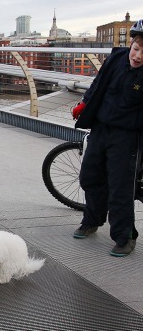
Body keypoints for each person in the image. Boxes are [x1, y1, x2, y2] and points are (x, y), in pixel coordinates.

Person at [71, 19, 143, 257]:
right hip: (101, 128)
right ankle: (92, 220)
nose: (138, 56)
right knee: (89, 177)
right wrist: (84, 102)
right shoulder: (116, 58)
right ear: (131, 43)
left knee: (120, 188)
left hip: (127, 136)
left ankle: (125, 236)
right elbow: (98, 84)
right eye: (136, 48)